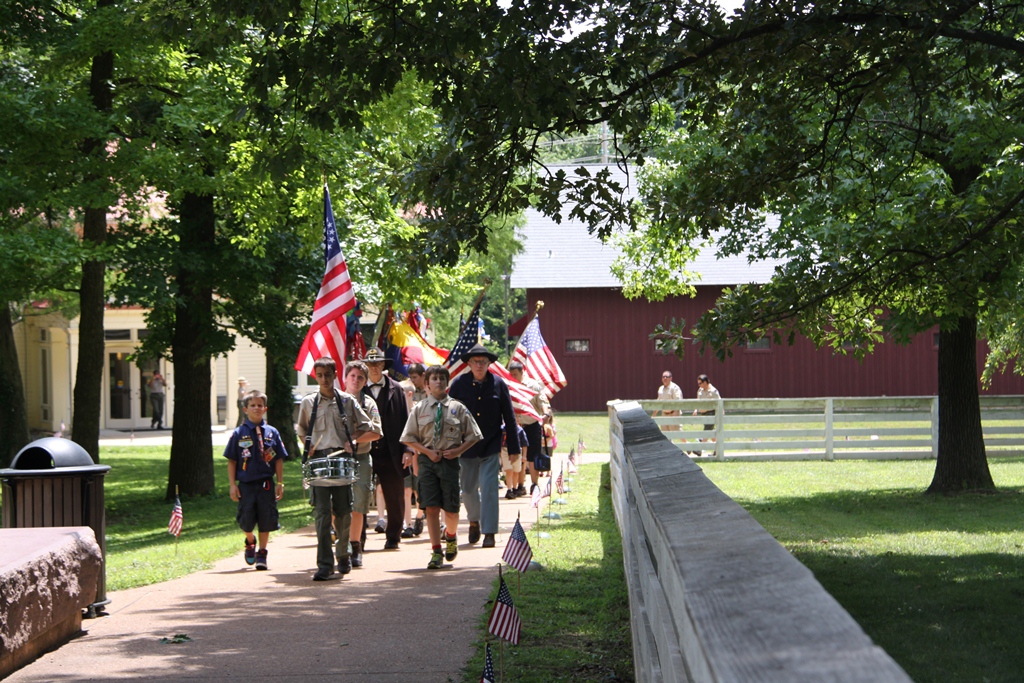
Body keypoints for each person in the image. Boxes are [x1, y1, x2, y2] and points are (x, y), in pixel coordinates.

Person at [297, 357, 380, 581]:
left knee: (344, 513)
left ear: (335, 376)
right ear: (316, 376)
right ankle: (324, 564)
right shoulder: (308, 403)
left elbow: (368, 426)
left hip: (343, 461)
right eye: (320, 375)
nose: (324, 379)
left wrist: (352, 439)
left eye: (328, 374)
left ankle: (343, 552)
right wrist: (308, 445)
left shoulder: (347, 401)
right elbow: (302, 429)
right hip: (320, 462)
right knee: (323, 515)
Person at [399, 365, 482, 569]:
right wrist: (427, 452)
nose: (438, 382)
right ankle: (436, 551)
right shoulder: (419, 409)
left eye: (442, 379)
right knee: (431, 507)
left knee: (452, 508)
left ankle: (451, 537)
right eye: (434, 379)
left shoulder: (457, 408)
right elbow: (408, 438)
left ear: (447, 383)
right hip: (428, 462)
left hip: (449, 461)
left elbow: (474, 435)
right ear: (427, 383)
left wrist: (457, 451)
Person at [447, 343, 519, 548]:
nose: (479, 365)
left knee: (489, 489)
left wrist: (513, 449)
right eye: (476, 362)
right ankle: (473, 521)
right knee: (468, 490)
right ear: (469, 364)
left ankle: (489, 532)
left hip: (490, 444)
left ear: (489, 364)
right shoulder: (459, 384)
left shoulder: (498, 384)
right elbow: (450, 416)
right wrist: (450, 444)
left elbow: (510, 417)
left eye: (483, 362)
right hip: (466, 446)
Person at [224, 390, 288, 571]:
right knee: (246, 519)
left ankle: (262, 552)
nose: (256, 408)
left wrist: (280, 483)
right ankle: (250, 540)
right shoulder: (238, 433)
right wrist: (232, 485)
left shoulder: (272, 433)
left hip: (266, 483)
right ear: (245, 409)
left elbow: (278, 460)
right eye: (252, 405)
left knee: (266, 517)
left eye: (260, 405)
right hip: (246, 484)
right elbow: (232, 461)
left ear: (265, 408)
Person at [361, 347, 413, 550]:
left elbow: (405, 420)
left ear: (383, 365)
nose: (374, 367)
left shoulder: (396, 389)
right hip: (365, 450)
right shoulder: (360, 389)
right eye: (371, 364)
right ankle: (359, 539)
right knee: (361, 494)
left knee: (395, 495)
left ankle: (393, 536)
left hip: (391, 450)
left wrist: (408, 449)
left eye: (377, 363)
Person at [343, 361, 383, 568]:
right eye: (352, 376)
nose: (356, 380)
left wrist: (356, 440)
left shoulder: (369, 404)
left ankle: (355, 545)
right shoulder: (334, 401)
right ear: (345, 378)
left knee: (358, 503)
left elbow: (376, 432)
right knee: (337, 506)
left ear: (365, 381)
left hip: (361, 458)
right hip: (338, 459)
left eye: (360, 377)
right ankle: (342, 545)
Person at [508, 361, 549, 496]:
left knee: (532, 455)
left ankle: (534, 484)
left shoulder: (533, 386)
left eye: (515, 374)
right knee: (517, 455)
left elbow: (543, 402)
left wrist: (545, 414)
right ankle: (519, 485)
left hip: (531, 424)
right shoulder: (509, 386)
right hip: (516, 427)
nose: (513, 377)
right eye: (511, 374)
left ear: (522, 371)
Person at [693, 374, 722, 455]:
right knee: (711, 432)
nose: (699, 385)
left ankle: (700, 450)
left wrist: (721, 413)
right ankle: (718, 449)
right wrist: (696, 409)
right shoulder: (700, 390)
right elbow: (698, 401)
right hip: (703, 414)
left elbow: (719, 402)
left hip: (711, 413)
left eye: (700, 383)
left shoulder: (713, 391)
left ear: (705, 382)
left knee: (706, 431)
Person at [500, 424, 529, 499]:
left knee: (516, 471)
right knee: (509, 470)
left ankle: (514, 488)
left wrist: (524, 456)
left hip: (517, 451)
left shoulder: (519, 430)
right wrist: (500, 454)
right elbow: (499, 442)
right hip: (505, 450)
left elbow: (524, 444)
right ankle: (509, 490)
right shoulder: (502, 429)